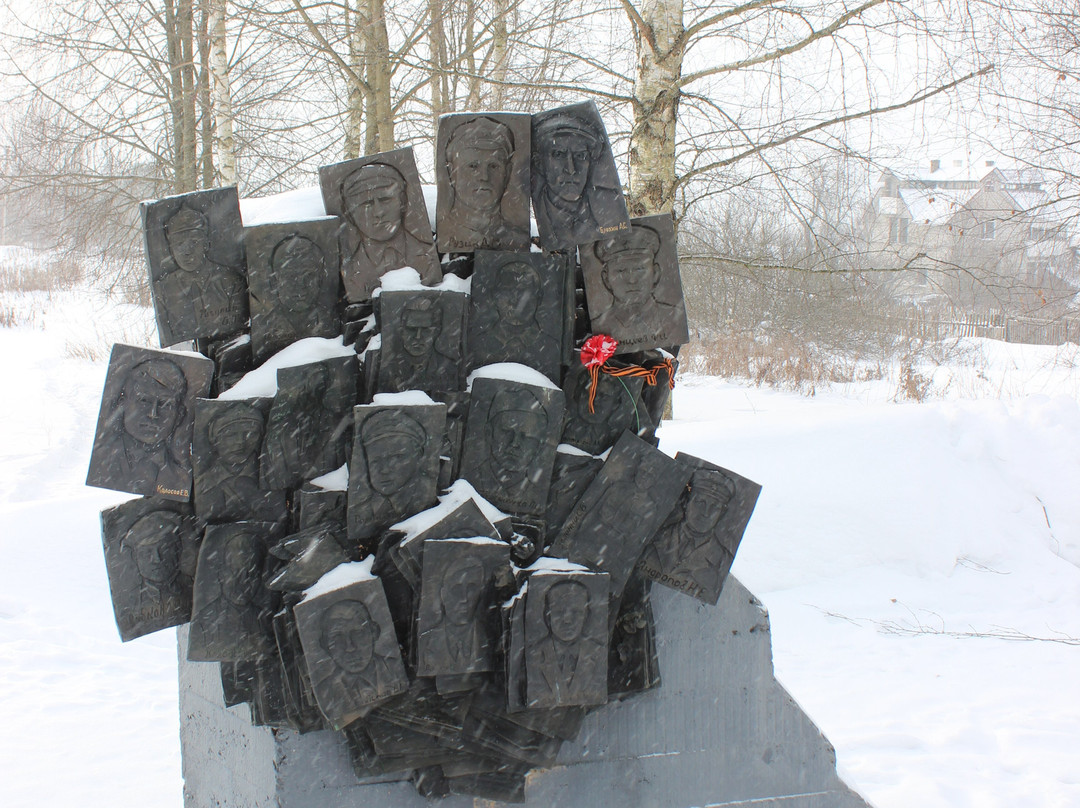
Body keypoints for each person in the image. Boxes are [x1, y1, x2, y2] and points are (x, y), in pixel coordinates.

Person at [339, 163, 440, 297]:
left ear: (403, 201)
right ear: (349, 214)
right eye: (366, 204)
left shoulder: (428, 255)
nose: (379, 212)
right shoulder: (350, 270)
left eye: (385, 200)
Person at [153, 204, 247, 343]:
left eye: (194, 242)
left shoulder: (231, 281)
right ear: (171, 250)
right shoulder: (163, 290)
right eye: (179, 245)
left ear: (206, 244)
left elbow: (241, 324)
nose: (187, 251)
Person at [98, 357, 191, 497]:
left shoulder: (184, 478)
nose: (153, 414)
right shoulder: (101, 466)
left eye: (165, 404)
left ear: (179, 415)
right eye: (144, 400)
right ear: (123, 405)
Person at [532, 112, 625, 250]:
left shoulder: (611, 207)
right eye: (559, 154)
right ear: (539, 163)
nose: (571, 169)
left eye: (580, 156)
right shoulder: (531, 223)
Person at [643, 470, 737, 597]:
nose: (706, 513)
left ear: (722, 514)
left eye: (714, 507)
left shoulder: (722, 560)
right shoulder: (655, 537)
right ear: (686, 502)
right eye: (700, 502)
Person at [442, 117, 529, 251]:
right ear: (452, 172)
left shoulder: (517, 238)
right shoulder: (444, 232)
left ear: (508, 172)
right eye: (472, 166)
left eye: (494, 166)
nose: (484, 176)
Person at [312, 598, 403, 723]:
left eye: (358, 633)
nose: (350, 647)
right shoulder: (324, 693)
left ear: (374, 632)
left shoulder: (398, 670)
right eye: (337, 637)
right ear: (325, 645)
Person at [350, 409, 428, 538]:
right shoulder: (360, 511)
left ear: (418, 457)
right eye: (375, 461)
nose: (384, 470)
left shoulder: (430, 505)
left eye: (397, 458)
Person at [114, 510, 190, 638]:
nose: (157, 559)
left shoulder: (197, 589)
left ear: (178, 548)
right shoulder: (131, 602)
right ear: (135, 557)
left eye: (164, 549)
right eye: (147, 553)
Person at [592, 223, 677, 338]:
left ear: (655, 273)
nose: (632, 280)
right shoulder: (599, 328)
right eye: (621, 271)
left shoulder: (675, 319)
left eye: (639, 269)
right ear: (606, 279)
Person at [531, 579, 605, 706]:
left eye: (576, 612)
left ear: (586, 616)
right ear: (547, 617)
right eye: (559, 612)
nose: (567, 620)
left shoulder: (600, 654)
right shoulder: (533, 656)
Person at [420, 554, 489, 673]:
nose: (464, 599)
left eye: (471, 589)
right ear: (443, 594)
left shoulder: (490, 639)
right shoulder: (425, 642)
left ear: (480, 592)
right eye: (456, 589)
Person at [389, 295, 458, 391]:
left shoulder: (449, 369)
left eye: (425, 330)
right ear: (401, 331)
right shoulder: (390, 368)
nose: (418, 337)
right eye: (412, 329)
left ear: (436, 332)